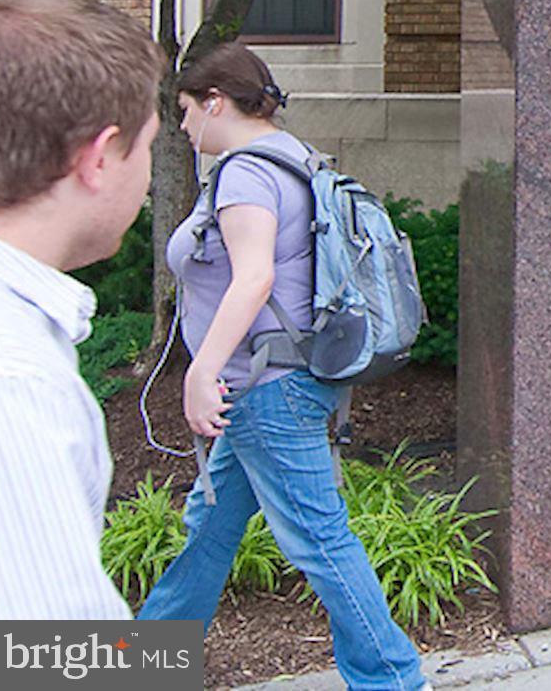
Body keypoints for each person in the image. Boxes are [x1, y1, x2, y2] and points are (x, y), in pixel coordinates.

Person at [139, 43, 426, 691]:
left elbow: (254, 277)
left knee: (320, 541)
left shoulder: (245, 171)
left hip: (266, 388)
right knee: (208, 525)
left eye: (186, 110)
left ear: (215, 101)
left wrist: (199, 370)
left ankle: (394, 681)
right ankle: (149, 659)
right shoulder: (296, 154)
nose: (184, 127)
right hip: (278, 382)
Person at [0, 0, 162, 618]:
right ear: (97, 157)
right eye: (146, 147)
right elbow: (47, 659)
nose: (147, 173)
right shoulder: (13, 383)